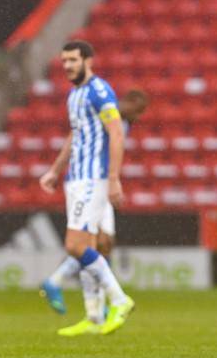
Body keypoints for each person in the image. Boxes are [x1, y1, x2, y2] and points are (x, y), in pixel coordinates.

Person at [38, 40, 135, 337]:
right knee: (87, 248)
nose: (68, 66)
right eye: (65, 61)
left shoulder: (99, 91)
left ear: (88, 60)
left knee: (75, 245)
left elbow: (117, 133)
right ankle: (94, 316)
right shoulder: (74, 94)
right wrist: (55, 170)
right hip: (75, 178)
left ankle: (119, 300)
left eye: (73, 60)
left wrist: (114, 178)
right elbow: (75, 136)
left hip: (94, 178)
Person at [41, 90, 149, 321]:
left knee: (103, 243)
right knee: (89, 242)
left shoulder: (124, 123)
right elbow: (76, 137)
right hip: (90, 183)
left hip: (100, 183)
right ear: (126, 102)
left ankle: (89, 303)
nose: (138, 117)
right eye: (137, 110)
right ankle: (106, 303)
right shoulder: (106, 116)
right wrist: (56, 170)